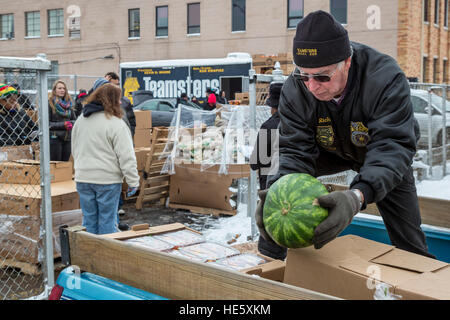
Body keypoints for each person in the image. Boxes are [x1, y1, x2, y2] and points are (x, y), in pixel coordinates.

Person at [254, 10, 434, 260]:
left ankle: (423, 281)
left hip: (381, 152)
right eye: (303, 74)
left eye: (322, 76)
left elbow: (392, 145)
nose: (312, 86)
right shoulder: (297, 88)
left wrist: (357, 196)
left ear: (347, 62)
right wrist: (277, 192)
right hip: (326, 150)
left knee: (409, 240)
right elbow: (294, 149)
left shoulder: (384, 78)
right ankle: (272, 258)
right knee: (270, 142)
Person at [72, 83, 140, 235]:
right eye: (118, 98)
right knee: (107, 221)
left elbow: (75, 149)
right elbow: (126, 156)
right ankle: (105, 255)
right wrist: (133, 181)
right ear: (112, 100)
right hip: (107, 180)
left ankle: (89, 253)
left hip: (83, 177)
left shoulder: (81, 120)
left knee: (89, 220)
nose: (121, 102)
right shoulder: (116, 124)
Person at [250, 82, 283, 190]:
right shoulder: (297, 122)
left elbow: (255, 163)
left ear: (272, 106)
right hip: (292, 182)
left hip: (271, 185)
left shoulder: (268, 126)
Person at [48, 80, 76, 161]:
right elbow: (48, 123)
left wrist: (71, 123)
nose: (62, 90)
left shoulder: (69, 104)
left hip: (68, 138)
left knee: (65, 165)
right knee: (56, 164)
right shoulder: (50, 103)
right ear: (54, 90)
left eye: (64, 88)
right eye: (59, 88)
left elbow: (74, 120)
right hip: (55, 138)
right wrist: (63, 124)